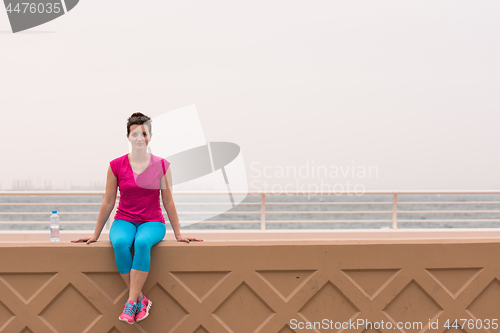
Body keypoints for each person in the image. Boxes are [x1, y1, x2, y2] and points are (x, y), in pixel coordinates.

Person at [71, 112, 202, 325]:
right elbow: (108, 202)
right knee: (121, 242)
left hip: (153, 222)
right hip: (124, 219)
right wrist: (95, 234)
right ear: (128, 137)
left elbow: (168, 201)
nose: (139, 138)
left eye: (144, 134)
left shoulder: (162, 166)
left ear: (150, 137)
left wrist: (178, 234)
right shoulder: (115, 165)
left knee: (142, 243)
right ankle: (141, 299)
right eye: (135, 134)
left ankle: (131, 302)